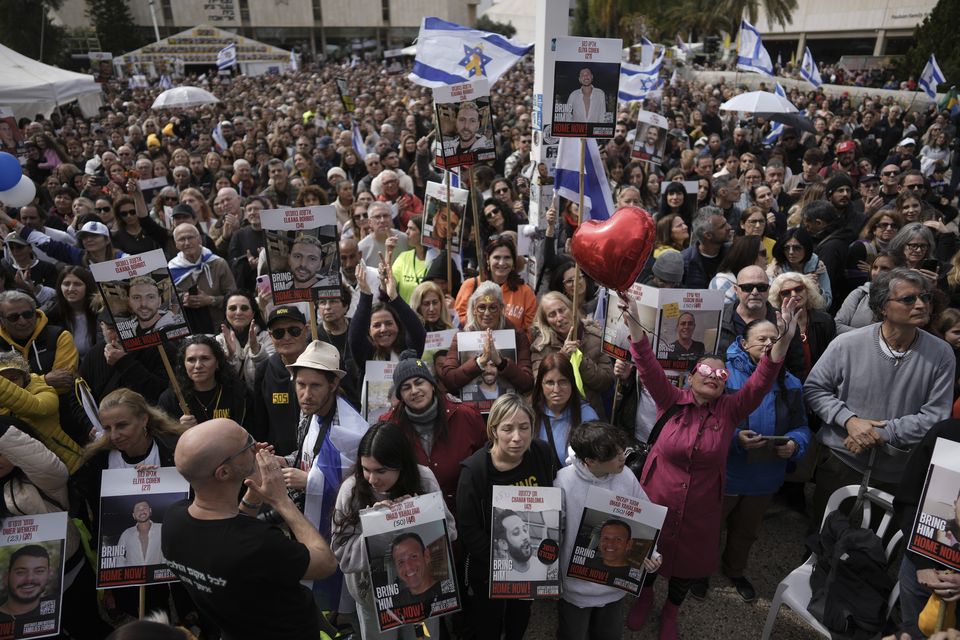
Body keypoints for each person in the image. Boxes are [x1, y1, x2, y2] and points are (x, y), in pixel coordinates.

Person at [618, 287, 798, 637]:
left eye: (721, 375)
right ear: (690, 376)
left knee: (686, 564)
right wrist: (636, 323)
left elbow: (763, 378)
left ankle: (671, 611)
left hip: (702, 504)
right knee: (649, 553)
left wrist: (786, 336)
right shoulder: (669, 398)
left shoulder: (731, 409)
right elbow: (646, 361)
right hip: (658, 495)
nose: (713, 377)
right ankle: (645, 596)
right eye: (705, 370)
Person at [162, 418, 338, 640]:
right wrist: (282, 501)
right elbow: (325, 563)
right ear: (223, 473)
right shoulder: (257, 543)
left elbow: (228, 530)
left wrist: (254, 490)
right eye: (247, 446)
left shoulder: (173, 520)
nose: (257, 448)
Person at [804, 268, 955, 525]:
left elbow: (935, 416)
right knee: (822, 542)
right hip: (842, 462)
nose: (920, 305)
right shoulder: (847, 344)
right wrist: (850, 421)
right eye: (908, 299)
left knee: (874, 553)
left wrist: (879, 434)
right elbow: (815, 388)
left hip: (898, 472)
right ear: (883, 307)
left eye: (925, 298)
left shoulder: (941, 354)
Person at [689, 319, 811, 602]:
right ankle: (700, 571)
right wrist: (734, 439)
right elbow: (703, 418)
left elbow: (802, 426)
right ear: (743, 344)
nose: (769, 344)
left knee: (746, 530)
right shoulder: (724, 377)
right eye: (761, 339)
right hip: (726, 472)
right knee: (711, 526)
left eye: (774, 339)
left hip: (765, 477)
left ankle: (735, 570)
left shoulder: (790, 382)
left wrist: (795, 444)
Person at [332, 421, 456, 640]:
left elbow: (451, 532)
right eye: (366, 469)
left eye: (381, 471)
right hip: (374, 600)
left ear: (401, 464)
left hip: (422, 595)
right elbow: (343, 556)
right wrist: (377, 527)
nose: (372, 479)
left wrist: (423, 515)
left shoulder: (424, 479)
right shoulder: (351, 490)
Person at [457, 394, 557, 640]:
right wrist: (501, 564)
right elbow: (468, 529)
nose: (517, 437)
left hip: (529, 563)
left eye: (524, 428)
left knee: (520, 616)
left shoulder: (541, 453)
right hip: (489, 568)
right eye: (507, 428)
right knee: (487, 623)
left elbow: (553, 502)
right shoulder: (474, 472)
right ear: (493, 430)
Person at [555, 420, 662, 640]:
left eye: (621, 450)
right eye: (615, 456)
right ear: (590, 461)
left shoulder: (626, 476)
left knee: (609, 634)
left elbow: (645, 516)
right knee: (572, 633)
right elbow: (554, 532)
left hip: (616, 585)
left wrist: (651, 553)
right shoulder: (563, 482)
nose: (623, 457)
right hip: (576, 588)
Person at [380, 350, 486, 511]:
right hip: (415, 516)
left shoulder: (467, 416)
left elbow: (486, 461)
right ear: (400, 395)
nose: (414, 390)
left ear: (432, 384)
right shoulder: (388, 425)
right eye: (406, 387)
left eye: (419, 382)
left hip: (465, 511)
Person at [438, 281, 534, 395]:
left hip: (507, 409)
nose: (487, 313)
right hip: (470, 409)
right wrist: (479, 362)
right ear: (474, 309)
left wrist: (500, 362)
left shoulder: (517, 336)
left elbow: (527, 383)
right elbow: (448, 380)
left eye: (493, 307)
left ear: (501, 309)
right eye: (482, 307)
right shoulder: (462, 337)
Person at [529, 291, 612, 419]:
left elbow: (606, 382)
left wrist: (581, 361)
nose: (559, 318)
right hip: (558, 416)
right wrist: (562, 357)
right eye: (552, 315)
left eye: (562, 310)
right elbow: (540, 386)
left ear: (571, 309)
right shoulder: (541, 347)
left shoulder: (595, 337)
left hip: (591, 416)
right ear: (546, 321)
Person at [454, 236, 537, 332]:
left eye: (507, 258)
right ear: (488, 260)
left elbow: (530, 331)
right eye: (496, 257)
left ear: (513, 262)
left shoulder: (526, 292)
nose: (502, 263)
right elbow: (459, 324)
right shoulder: (471, 285)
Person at [531, 352, 598, 466]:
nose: (556, 389)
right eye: (550, 383)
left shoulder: (587, 416)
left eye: (563, 382)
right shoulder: (529, 415)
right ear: (540, 385)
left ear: (572, 383)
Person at [169, 223, 237, 334]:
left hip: (220, 327)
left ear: (199, 239)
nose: (187, 243)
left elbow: (234, 296)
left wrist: (211, 300)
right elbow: (167, 306)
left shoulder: (218, 263)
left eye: (190, 237)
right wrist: (183, 299)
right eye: (181, 239)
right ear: (176, 244)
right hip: (189, 330)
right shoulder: (171, 270)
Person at [215, 290, 273, 389]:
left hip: (260, 397)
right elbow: (218, 378)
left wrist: (257, 351)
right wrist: (229, 357)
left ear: (253, 312)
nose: (238, 313)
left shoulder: (267, 337)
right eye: (232, 308)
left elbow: (271, 373)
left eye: (244, 308)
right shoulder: (218, 341)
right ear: (225, 312)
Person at [0, 545, 53, 625]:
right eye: (20, 572)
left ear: (49, 574)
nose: (29, 579)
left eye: (39, 571)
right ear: (6, 577)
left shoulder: (55, 607)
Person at [117, 500, 164, 566]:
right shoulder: (126, 534)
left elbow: (169, 554)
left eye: (144, 508)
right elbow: (119, 559)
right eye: (138, 509)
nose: (142, 511)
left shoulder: (162, 529)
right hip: (132, 575)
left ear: (150, 511)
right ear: (134, 515)